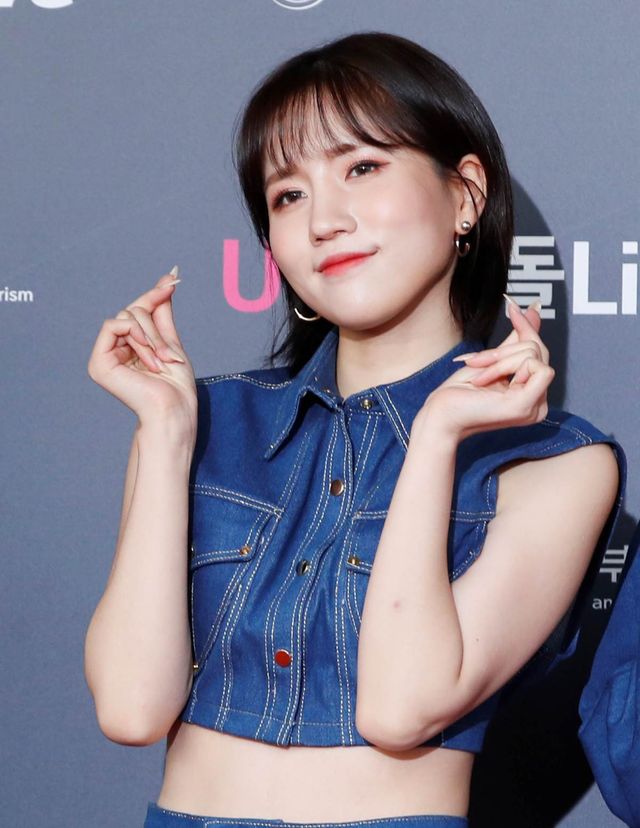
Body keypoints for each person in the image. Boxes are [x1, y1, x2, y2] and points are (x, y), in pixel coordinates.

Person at [84, 31, 626, 828]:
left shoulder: (557, 464)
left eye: (362, 168)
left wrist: (434, 439)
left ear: (465, 195)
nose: (324, 221)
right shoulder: (202, 422)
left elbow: (403, 709)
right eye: (288, 195)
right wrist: (164, 435)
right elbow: (131, 709)